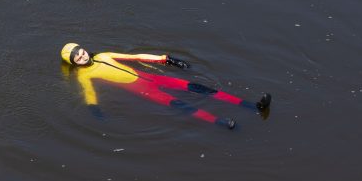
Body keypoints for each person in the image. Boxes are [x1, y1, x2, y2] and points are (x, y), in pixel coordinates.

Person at [60, 42, 271, 129]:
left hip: (154, 78)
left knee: (198, 88)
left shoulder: (104, 55)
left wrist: (165, 59)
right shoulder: (83, 76)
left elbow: (134, 57)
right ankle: (221, 122)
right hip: (142, 89)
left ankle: (253, 106)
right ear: (73, 63)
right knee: (181, 105)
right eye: (76, 57)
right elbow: (89, 93)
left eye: (80, 51)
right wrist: (94, 108)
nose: (81, 55)